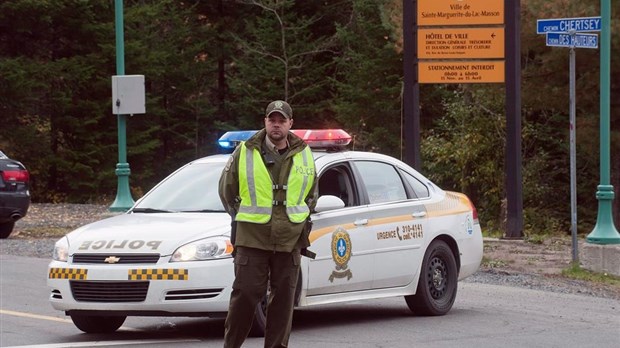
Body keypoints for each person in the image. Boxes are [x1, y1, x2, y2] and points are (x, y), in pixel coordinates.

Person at [219, 100, 318, 348]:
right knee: (245, 296)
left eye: (281, 120)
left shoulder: (304, 153)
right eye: (272, 120)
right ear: (265, 122)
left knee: (283, 302)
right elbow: (227, 191)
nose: (276, 125)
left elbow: (310, 195)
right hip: (253, 237)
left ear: (290, 124)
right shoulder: (245, 151)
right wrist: (243, 216)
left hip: (290, 239)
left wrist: (297, 220)